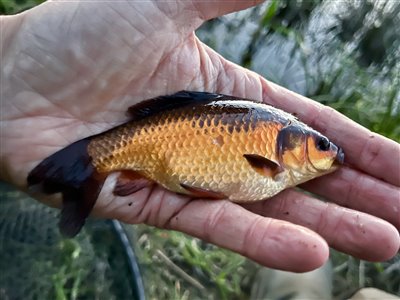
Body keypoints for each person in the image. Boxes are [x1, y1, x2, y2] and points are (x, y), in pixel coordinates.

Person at [1, 0, 399, 274]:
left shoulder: (275, 143)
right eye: (321, 146)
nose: (329, 155)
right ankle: (82, 170)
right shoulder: (270, 155)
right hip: (158, 140)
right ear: (289, 145)